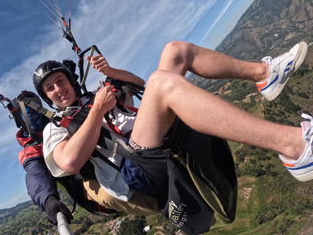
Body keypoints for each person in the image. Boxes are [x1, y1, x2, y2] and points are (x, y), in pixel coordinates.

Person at [33, 41, 311, 234]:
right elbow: (69, 162)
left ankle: (265, 75)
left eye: (60, 80)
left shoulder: (95, 96)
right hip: (136, 173)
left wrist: (110, 73)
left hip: (149, 142)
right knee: (161, 84)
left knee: (175, 52)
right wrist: (97, 111)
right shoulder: (54, 128)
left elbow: (142, 85)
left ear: (70, 80)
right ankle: (294, 148)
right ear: (47, 97)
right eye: (50, 88)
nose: (58, 88)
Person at [12, 91, 159, 227]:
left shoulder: (61, 119)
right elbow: (36, 175)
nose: (31, 113)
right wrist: (48, 199)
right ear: (19, 119)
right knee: (110, 197)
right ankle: (165, 206)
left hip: (112, 162)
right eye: (24, 112)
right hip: (87, 185)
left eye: (32, 107)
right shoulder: (32, 150)